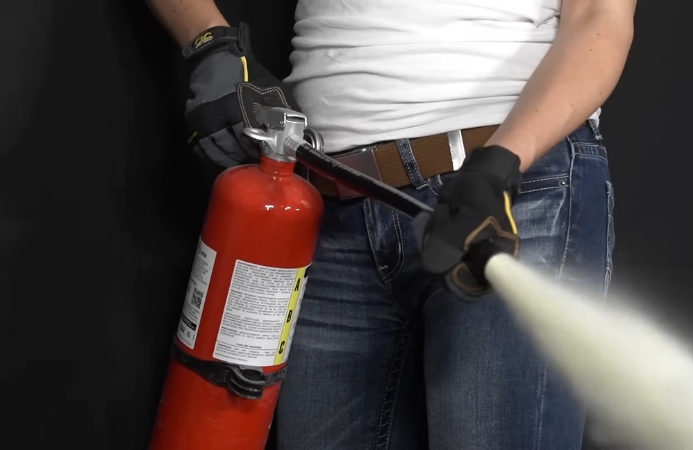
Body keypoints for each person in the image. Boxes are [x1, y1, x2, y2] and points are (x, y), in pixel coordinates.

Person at [146, 0, 636, 448]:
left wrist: (500, 166)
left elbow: (600, 17)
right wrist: (211, 42)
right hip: (330, 211)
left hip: (512, 193)